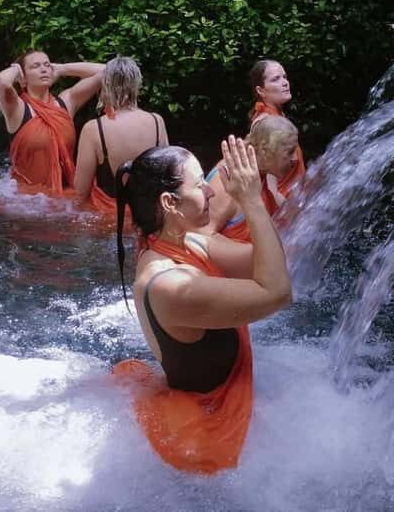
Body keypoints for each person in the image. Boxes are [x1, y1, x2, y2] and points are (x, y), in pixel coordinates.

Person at [113, 139, 291, 474]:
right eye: (200, 184)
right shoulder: (168, 284)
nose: (211, 192)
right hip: (208, 432)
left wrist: (252, 201)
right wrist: (251, 201)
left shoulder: (189, 241)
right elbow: (278, 292)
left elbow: (270, 265)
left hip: (224, 403)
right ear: (170, 202)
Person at [0, 50, 104, 195]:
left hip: (65, 198)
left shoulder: (67, 102)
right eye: (35, 66)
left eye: (47, 65)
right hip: (28, 203)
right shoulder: (18, 109)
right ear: (23, 78)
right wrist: (15, 69)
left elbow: (109, 71)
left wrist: (62, 69)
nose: (44, 69)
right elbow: (1, 83)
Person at [74, 56, 168, 213]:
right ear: (137, 84)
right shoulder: (157, 121)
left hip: (108, 223)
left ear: (106, 85)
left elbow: (80, 193)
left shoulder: (93, 129)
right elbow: (167, 176)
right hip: (148, 218)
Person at [202, 116, 299, 242]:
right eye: (290, 152)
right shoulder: (228, 181)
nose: (296, 158)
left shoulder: (264, 172)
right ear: (265, 150)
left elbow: (277, 203)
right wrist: (253, 254)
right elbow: (201, 237)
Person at [248, 59, 306, 196]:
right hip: (286, 209)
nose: (285, 83)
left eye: (284, 77)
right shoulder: (265, 122)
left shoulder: (277, 116)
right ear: (261, 90)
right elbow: (271, 187)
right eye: (275, 79)